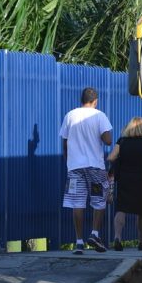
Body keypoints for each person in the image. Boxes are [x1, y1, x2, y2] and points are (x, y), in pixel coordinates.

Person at [59, 87, 113, 254]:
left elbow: (65, 143)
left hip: (75, 168)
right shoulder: (99, 115)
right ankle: (95, 234)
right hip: (94, 168)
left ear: (81, 99)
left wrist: (69, 162)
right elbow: (108, 140)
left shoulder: (70, 115)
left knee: (77, 202)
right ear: (95, 101)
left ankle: (79, 242)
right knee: (99, 199)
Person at [107, 117, 142, 251]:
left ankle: (117, 237)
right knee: (141, 212)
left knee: (121, 209)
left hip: (124, 179)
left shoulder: (121, 142)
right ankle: (141, 241)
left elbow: (111, 157)